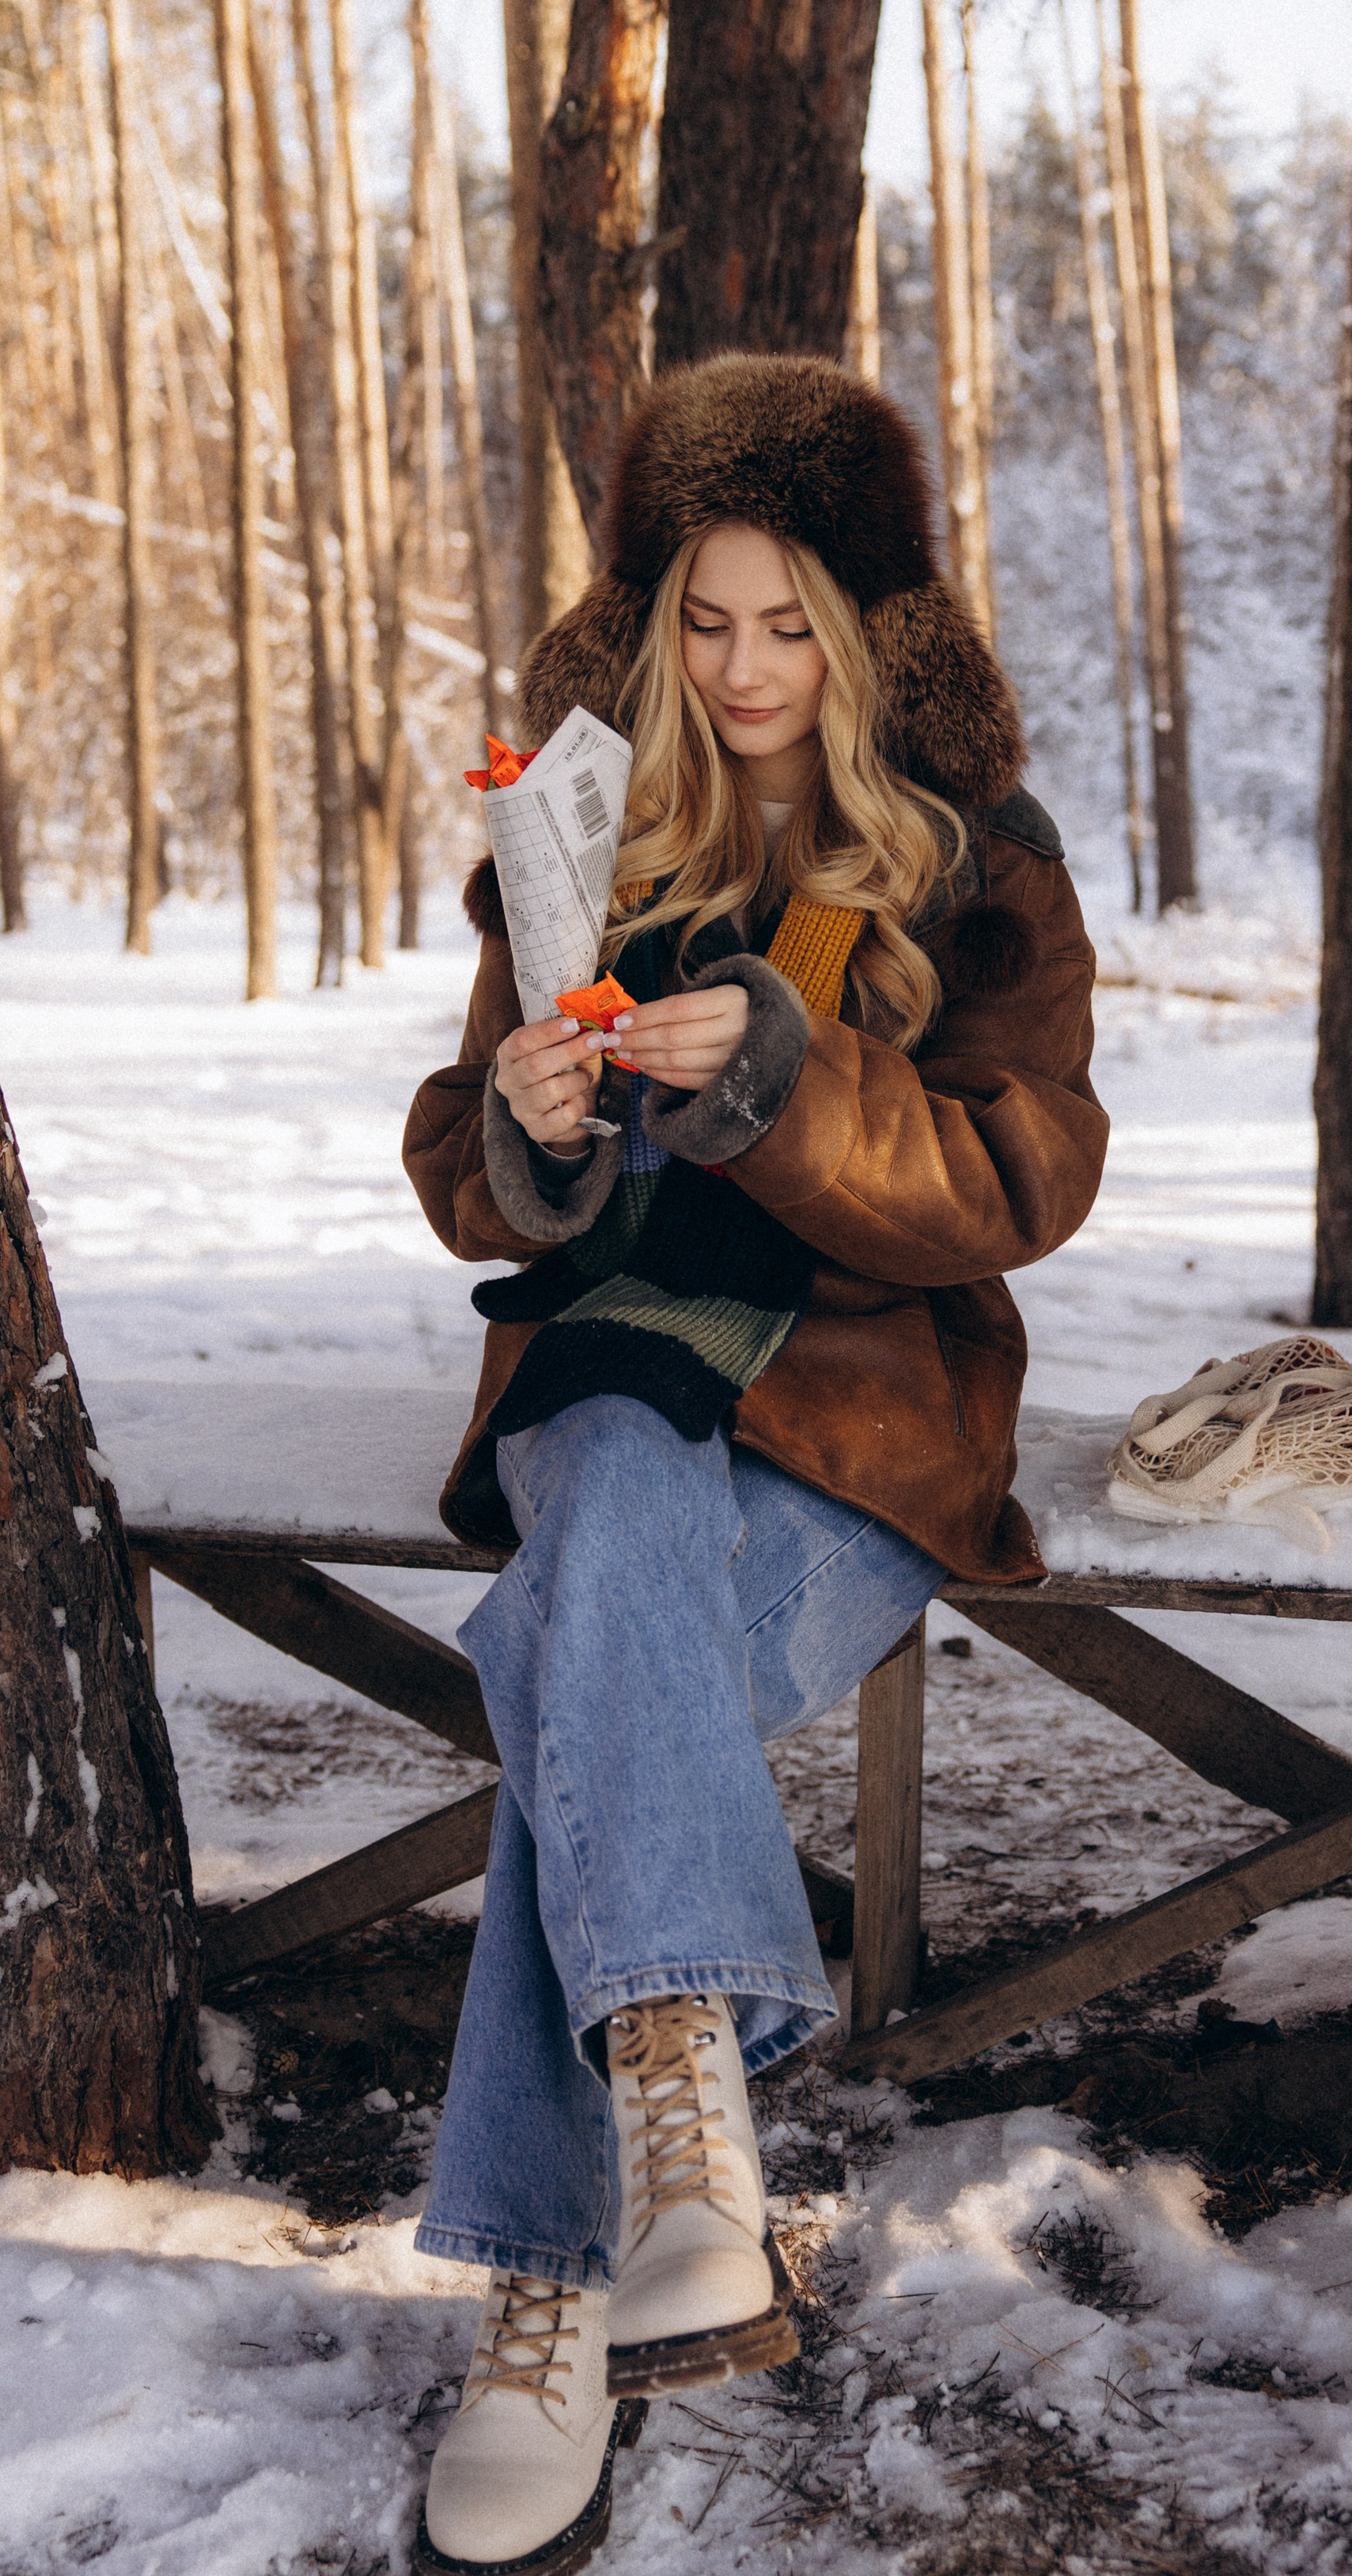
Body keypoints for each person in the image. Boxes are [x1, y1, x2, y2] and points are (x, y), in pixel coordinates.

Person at [402, 353, 1107, 2576]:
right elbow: (458, 1153)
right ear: (650, 626)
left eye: (784, 620)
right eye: (701, 621)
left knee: (582, 1681)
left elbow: (1022, 1180)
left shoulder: (975, 860)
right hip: (615, 1382)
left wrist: (785, 1089)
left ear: (865, 624)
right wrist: (523, 1121)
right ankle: (683, 2162)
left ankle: (545, 2281)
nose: (743, 668)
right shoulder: (582, 830)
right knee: (605, 1495)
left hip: (858, 1437)